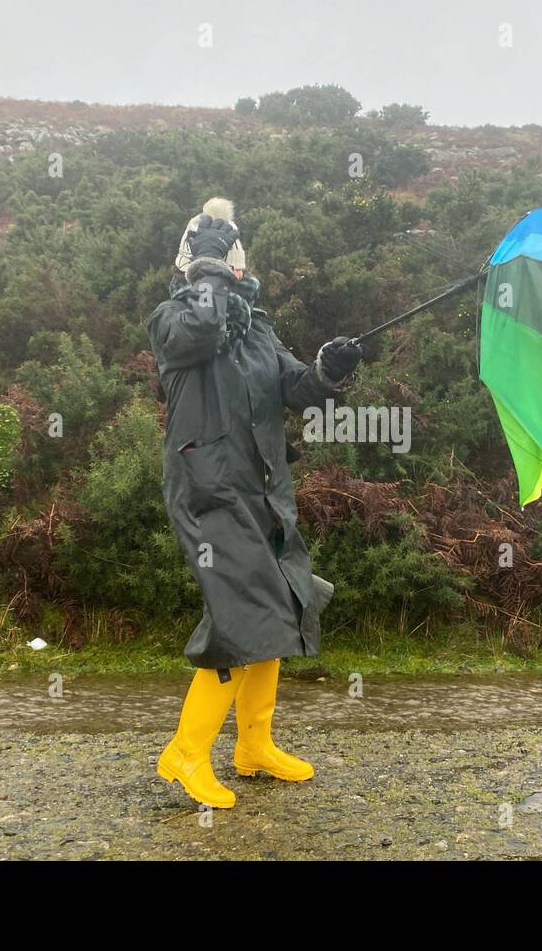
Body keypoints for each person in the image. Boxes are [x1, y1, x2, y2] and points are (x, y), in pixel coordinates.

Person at [148, 201, 363, 808]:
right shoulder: (172, 319)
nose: (228, 273)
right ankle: (186, 754)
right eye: (216, 263)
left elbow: (297, 389)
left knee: (281, 605)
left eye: (230, 263)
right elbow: (202, 328)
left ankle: (253, 746)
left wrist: (329, 369)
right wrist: (206, 269)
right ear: (198, 268)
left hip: (264, 489)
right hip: (208, 491)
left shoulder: (259, 329)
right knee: (243, 611)